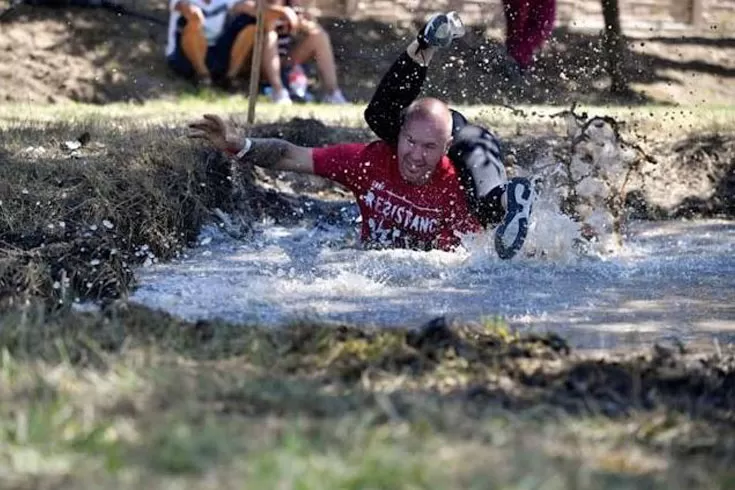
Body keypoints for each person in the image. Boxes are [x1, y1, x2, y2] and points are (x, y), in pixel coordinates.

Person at [188, 12, 535, 259]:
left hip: (472, 142)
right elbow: (291, 155)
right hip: (429, 122)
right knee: (377, 114)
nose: (415, 157)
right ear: (399, 137)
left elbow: (478, 259)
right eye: (409, 144)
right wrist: (239, 146)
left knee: (488, 207)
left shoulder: (453, 189)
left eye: (428, 150)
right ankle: (423, 44)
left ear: (443, 151)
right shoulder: (368, 162)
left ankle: (510, 198)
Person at [165, 0, 298, 103]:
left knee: (250, 24)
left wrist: (282, 11)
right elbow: (185, 9)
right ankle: (203, 77)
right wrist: (194, 14)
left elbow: (252, 8)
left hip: (214, 53)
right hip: (183, 56)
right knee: (191, 21)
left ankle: (229, 78)